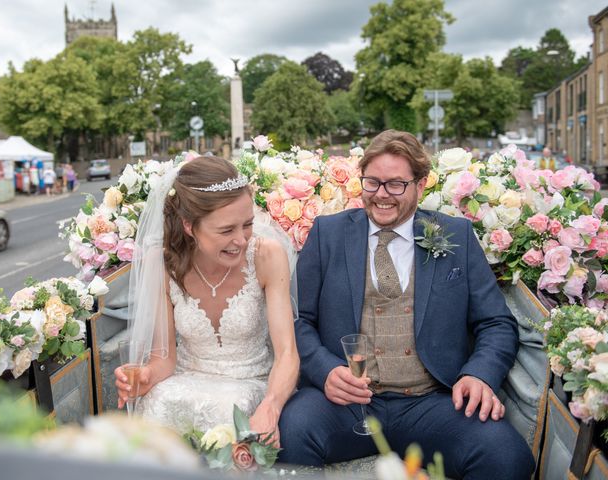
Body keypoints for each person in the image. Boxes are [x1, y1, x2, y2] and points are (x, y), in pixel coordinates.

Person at [278, 130, 534, 479]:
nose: (382, 195)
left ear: (421, 184)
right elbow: (298, 319)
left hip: (431, 404)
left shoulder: (456, 235)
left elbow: (496, 323)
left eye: (396, 184)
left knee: (507, 456)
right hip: (347, 405)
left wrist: (479, 374)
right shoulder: (328, 233)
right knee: (290, 435)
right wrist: (325, 371)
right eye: (373, 183)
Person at [114, 156, 299, 445]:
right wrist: (146, 375)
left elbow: (287, 353)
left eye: (247, 224)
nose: (241, 239)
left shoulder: (266, 255)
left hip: (249, 383)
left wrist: (270, 407)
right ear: (189, 226)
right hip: (186, 377)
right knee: (160, 400)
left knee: (231, 410)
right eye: (227, 230)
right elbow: (163, 360)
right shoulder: (162, 263)